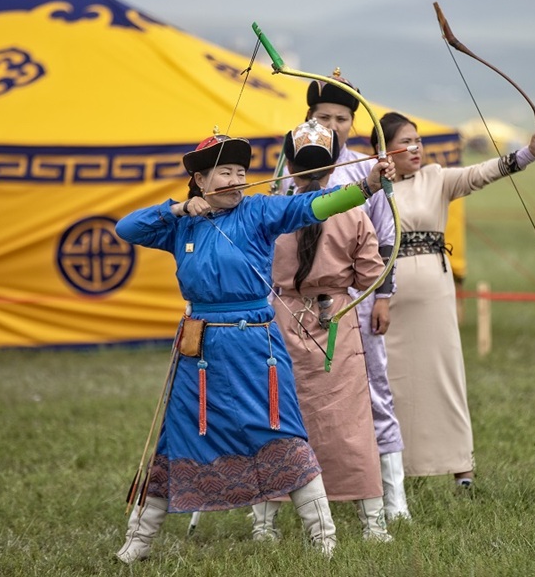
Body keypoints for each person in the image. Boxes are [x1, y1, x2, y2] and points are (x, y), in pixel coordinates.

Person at [113, 130, 394, 563]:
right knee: (176, 440)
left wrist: (368, 185)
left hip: (253, 343)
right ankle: (138, 543)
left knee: (281, 432)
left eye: (242, 171)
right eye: (225, 171)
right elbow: (126, 228)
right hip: (200, 347)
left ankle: (324, 540)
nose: (236, 178)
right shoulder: (181, 223)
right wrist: (179, 208)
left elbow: (313, 205)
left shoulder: (260, 211)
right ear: (201, 180)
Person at [370, 112, 535, 487]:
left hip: (434, 296)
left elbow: (480, 173)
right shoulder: (369, 188)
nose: (416, 148)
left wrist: (529, 153)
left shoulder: (436, 178)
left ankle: (462, 471)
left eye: (418, 140)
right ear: (383, 149)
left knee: (445, 376)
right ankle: (393, 471)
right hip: (387, 298)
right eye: (406, 142)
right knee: (391, 382)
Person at [251, 118, 392, 543]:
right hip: (335, 321)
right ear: (333, 169)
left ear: (290, 168)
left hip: (282, 321)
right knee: (349, 424)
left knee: (275, 419)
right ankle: (373, 524)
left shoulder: (269, 209)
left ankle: (264, 525)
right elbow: (370, 275)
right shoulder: (352, 210)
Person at [281, 69, 410, 522]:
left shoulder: (367, 169)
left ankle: (391, 502)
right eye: (323, 116)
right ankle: (307, 495)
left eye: (341, 117)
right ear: (308, 120)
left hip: (359, 297)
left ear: (354, 123)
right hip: (294, 303)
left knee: (372, 391)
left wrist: (384, 297)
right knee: (295, 394)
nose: (333, 125)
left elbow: (387, 236)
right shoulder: (289, 170)